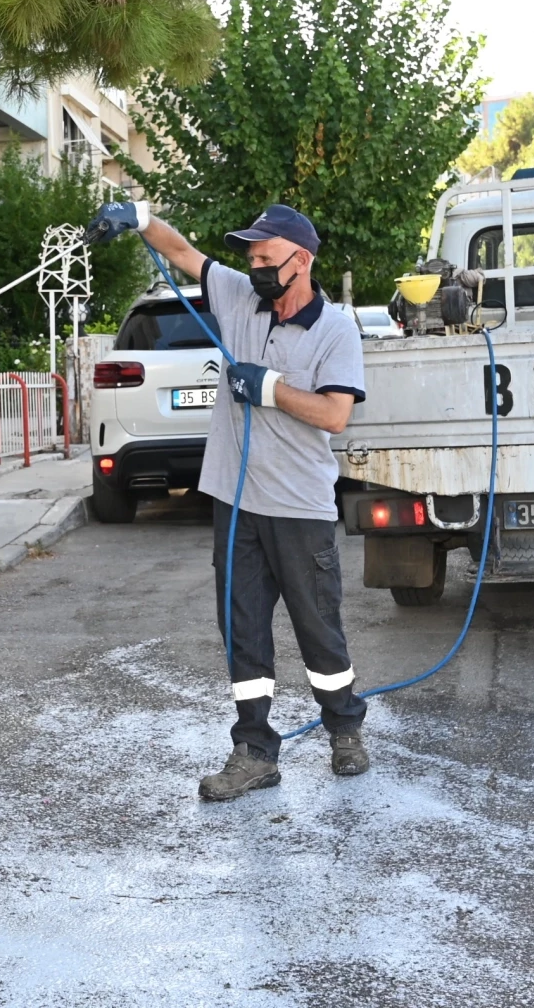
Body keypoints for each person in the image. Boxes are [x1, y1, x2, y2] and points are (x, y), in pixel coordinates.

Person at [88, 200, 370, 800]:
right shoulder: (242, 297)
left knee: (319, 629)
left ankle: (344, 728)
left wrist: (269, 388)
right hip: (236, 502)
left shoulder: (336, 329)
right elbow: (182, 251)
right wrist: (137, 218)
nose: (255, 267)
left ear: (303, 260)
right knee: (243, 629)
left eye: (266, 258)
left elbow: (336, 414)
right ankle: (253, 750)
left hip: (300, 505)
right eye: (251, 257)